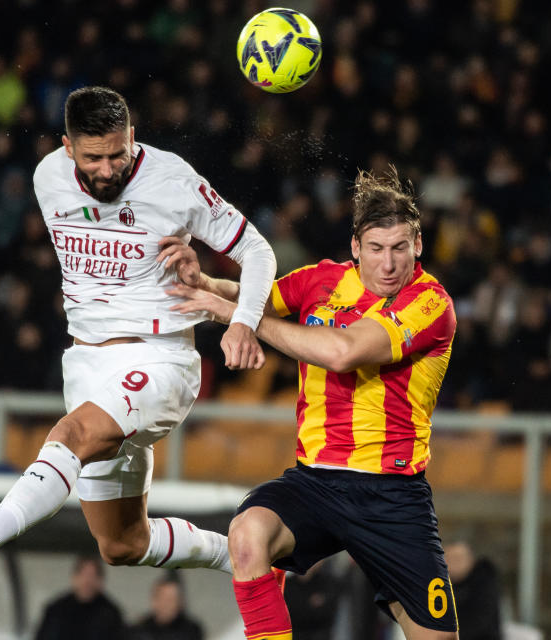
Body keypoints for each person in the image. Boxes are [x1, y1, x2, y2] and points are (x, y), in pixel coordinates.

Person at [0, 86, 277, 588]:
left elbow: (257, 250)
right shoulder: (46, 177)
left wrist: (243, 320)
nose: (106, 169)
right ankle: (240, 558)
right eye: (93, 157)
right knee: (122, 545)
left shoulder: (172, 180)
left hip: (159, 357)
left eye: (119, 154)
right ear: (67, 146)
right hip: (85, 364)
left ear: (133, 139)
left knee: (70, 436)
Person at [166, 165, 458, 639]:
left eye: (400, 248)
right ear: (356, 247)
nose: (388, 264)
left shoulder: (430, 303)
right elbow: (253, 297)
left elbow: (343, 353)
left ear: (417, 246)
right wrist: (206, 284)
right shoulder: (322, 281)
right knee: (246, 535)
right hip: (315, 482)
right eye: (377, 249)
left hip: (392, 494)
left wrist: (238, 319)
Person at [34, 555, 126, 639]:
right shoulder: (56, 610)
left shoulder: (110, 614)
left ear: (100, 581)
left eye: (92, 576)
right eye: (83, 575)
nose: (87, 581)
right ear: (74, 577)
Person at [443, 540, 502, 640]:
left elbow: (477, 622)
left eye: (457, 559)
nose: (452, 563)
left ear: (471, 559)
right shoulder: (439, 584)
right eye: (447, 558)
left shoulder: (483, 584)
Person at [129, 573, 203, 640]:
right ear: (153, 600)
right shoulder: (139, 630)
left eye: (171, 600)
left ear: (180, 603)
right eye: (162, 599)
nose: (166, 605)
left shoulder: (191, 630)